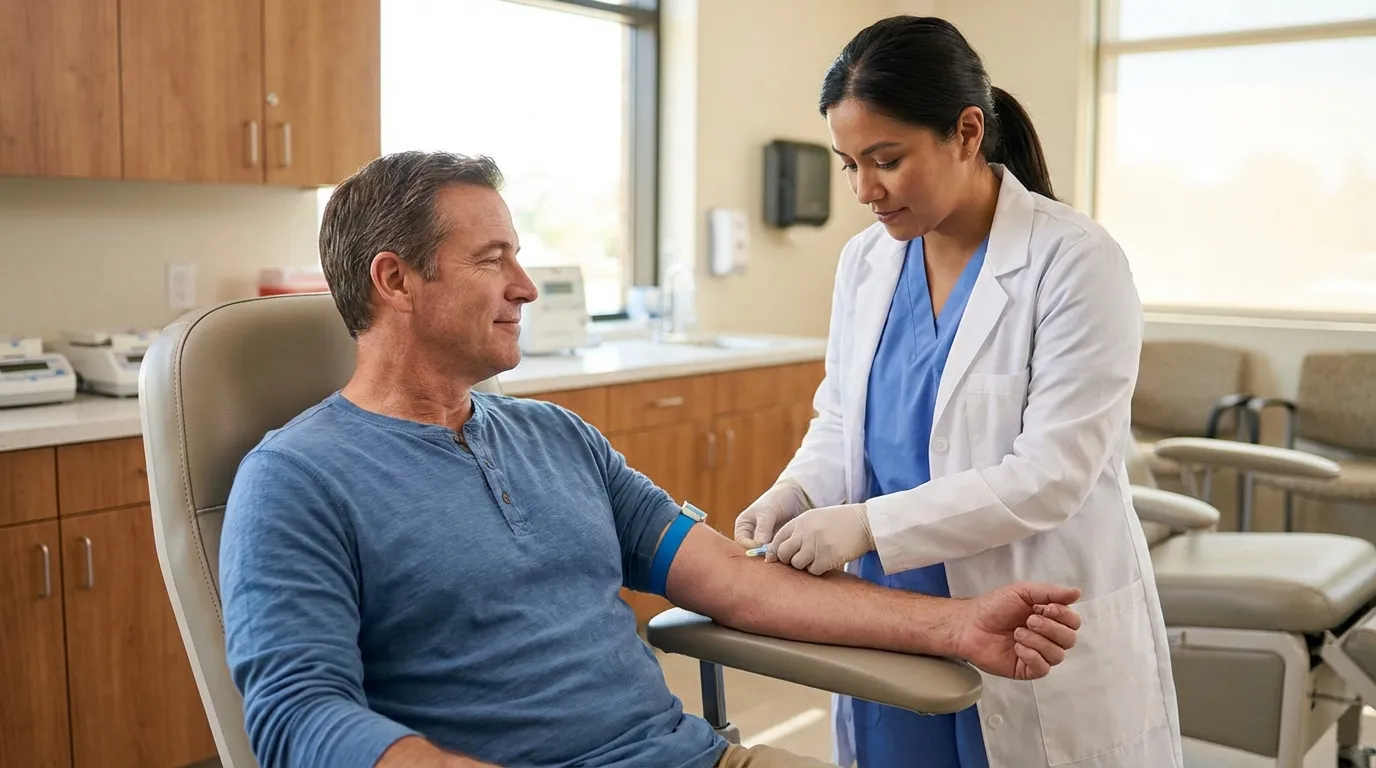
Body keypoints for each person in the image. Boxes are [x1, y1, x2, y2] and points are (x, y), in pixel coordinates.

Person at [218, 150, 1085, 768]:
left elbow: (734, 579)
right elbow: (297, 716)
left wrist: (957, 624)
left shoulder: (558, 438)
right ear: (394, 281)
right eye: (493, 260)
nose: (525, 285)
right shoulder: (296, 480)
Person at [733, 15, 1183, 768]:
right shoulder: (866, 263)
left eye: (886, 159)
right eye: (847, 163)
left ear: (967, 132)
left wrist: (866, 525)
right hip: (889, 621)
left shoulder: (1073, 262)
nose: (863, 190)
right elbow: (843, 418)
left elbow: (1052, 476)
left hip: (1026, 621)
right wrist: (798, 494)